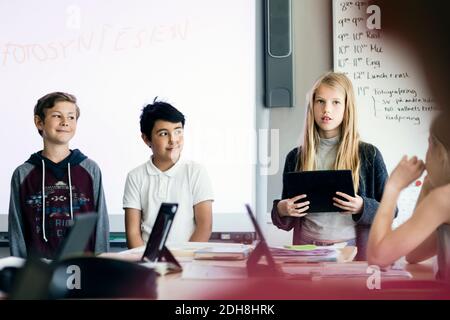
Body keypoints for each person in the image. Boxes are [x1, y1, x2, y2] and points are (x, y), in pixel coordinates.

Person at [271, 72, 393, 254]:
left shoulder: (369, 155)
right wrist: (281, 209)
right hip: (305, 250)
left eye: (335, 102)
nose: (327, 109)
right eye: (320, 101)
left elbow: (391, 212)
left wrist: (362, 206)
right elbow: (287, 221)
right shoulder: (295, 157)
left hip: (352, 250)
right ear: (312, 105)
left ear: (347, 107)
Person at [8, 92, 110, 258]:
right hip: (38, 271)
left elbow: (101, 224)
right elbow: (16, 229)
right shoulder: (23, 173)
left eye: (71, 117)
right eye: (57, 116)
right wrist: (21, 272)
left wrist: (100, 267)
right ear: (39, 122)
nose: (65, 122)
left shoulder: (90, 169)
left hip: (83, 268)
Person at [367, 115, 450, 281]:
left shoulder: (443, 199)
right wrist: (427, 188)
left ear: (440, 153)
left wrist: (393, 186)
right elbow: (414, 253)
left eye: (429, 144)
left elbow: (378, 257)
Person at [123, 99, 213, 248]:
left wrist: (184, 260)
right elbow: (133, 233)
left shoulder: (196, 172)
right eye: (164, 133)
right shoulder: (135, 177)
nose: (173, 140)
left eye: (178, 131)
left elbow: (205, 226)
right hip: (148, 263)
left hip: (188, 262)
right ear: (146, 139)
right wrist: (145, 265)